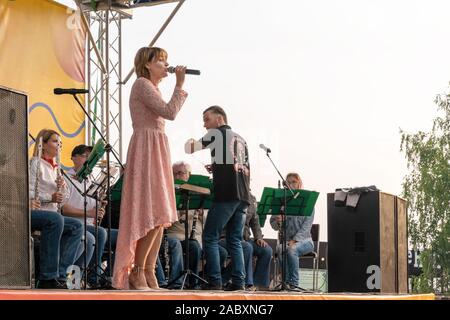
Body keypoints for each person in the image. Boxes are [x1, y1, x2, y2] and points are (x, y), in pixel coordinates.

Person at [113, 47, 187, 290]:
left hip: (157, 148)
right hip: (146, 149)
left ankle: (148, 270)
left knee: (161, 214)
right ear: (147, 64)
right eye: (161, 61)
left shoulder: (152, 87)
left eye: (166, 60)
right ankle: (137, 271)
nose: (166, 65)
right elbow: (170, 112)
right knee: (151, 211)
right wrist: (180, 84)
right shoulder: (142, 84)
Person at [185, 106, 251, 291]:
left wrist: (189, 141)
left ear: (220, 119)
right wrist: (217, 168)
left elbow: (190, 148)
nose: (204, 125)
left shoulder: (216, 134)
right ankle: (239, 282)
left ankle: (215, 282)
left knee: (210, 237)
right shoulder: (241, 139)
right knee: (234, 240)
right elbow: (237, 165)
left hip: (227, 194)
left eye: (207, 119)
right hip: (243, 195)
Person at [30, 129, 84, 289]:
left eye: (60, 142)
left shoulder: (56, 168)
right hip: (37, 212)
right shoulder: (35, 163)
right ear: (43, 144)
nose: (59, 145)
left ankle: (61, 276)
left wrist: (63, 189)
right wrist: (50, 197)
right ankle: (47, 276)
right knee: (57, 219)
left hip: (53, 215)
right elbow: (28, 191)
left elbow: (62, 201)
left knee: (77, 226)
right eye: (54, 141)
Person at [62, 144, 118, 287]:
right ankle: (92, 278)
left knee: (125, 236)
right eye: (86, 156)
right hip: (73, 224)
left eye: (92, 158)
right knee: (99, 233)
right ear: (74, 158)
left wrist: (100, 209)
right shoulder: (65, 177)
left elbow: (95, 212)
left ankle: (107, 275)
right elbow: (63, 209)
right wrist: (90, 213)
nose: (90, 161)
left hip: (89, 225)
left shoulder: (92, 182)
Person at [270, 172, 315, 291]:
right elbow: (274, 225)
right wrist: (279, 221)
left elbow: (306, 226)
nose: (291, 184)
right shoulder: (281, 202)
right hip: (286, 241)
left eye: (294, 182)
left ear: (299, 183)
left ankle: (293, 284)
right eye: (288, 182)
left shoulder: (308, 201)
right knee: (280, 248)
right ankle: (286, 282)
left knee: (292, 249)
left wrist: (294, 240)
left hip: (305, 241)